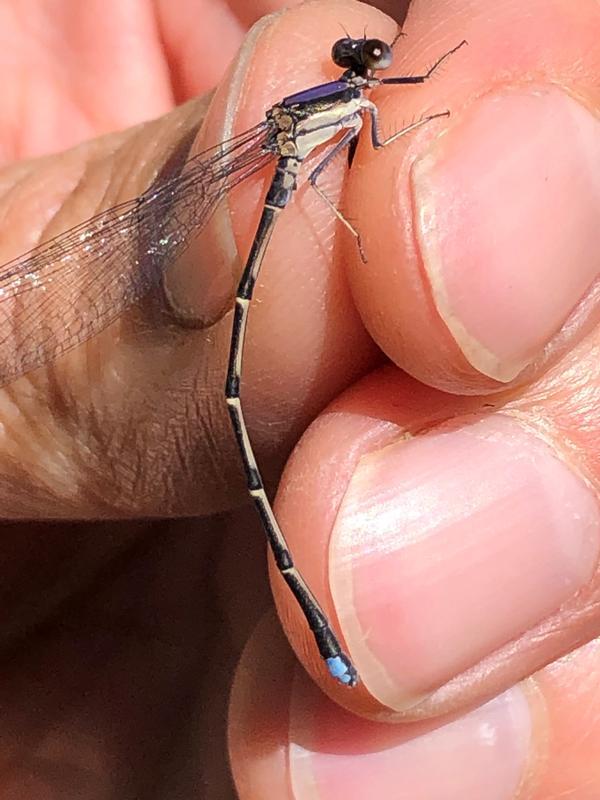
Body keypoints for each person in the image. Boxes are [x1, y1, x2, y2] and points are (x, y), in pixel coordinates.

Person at [0, 0, 598, 797]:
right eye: (363, 65)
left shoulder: (345, 105)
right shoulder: (328, 111)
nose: (371, 71)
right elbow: (378, 136)